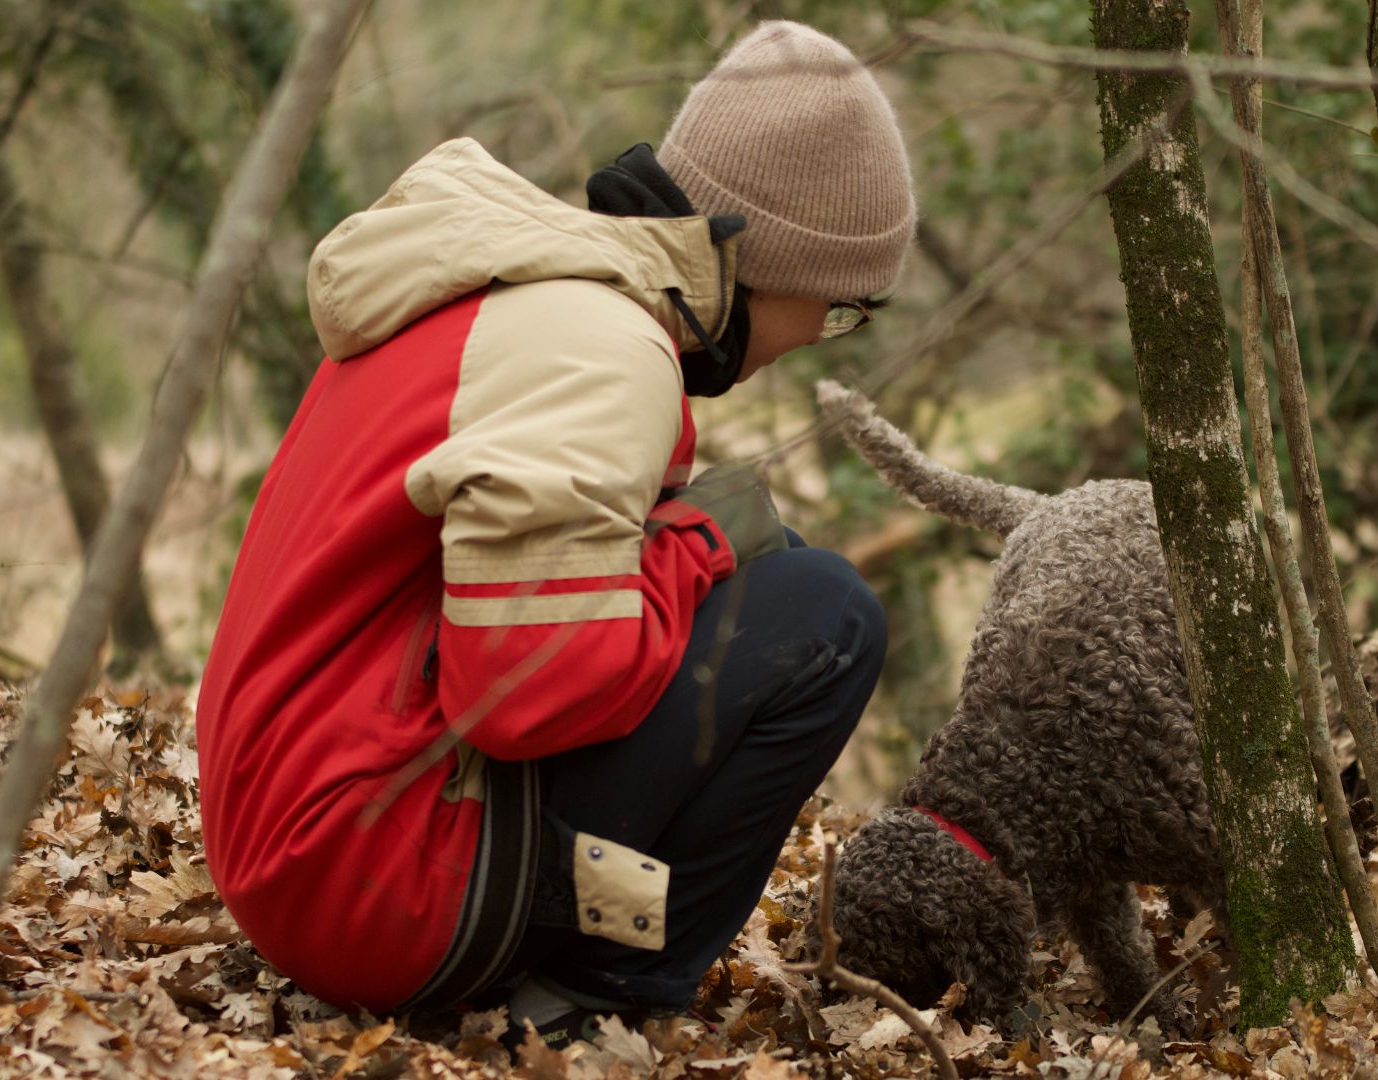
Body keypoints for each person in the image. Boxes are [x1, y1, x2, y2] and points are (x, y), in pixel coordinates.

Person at [194, 20, 916, 1044]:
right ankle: (601, 997)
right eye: (840, 310)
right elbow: (522, 694)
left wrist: (695, 544)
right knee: (827, 616)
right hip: (376, 890)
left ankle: (582, 958)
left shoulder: (504, 291)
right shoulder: (605, 351)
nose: (819, 339)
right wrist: (700, 544)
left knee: (777, 575)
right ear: (777, 266)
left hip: (298, 847)